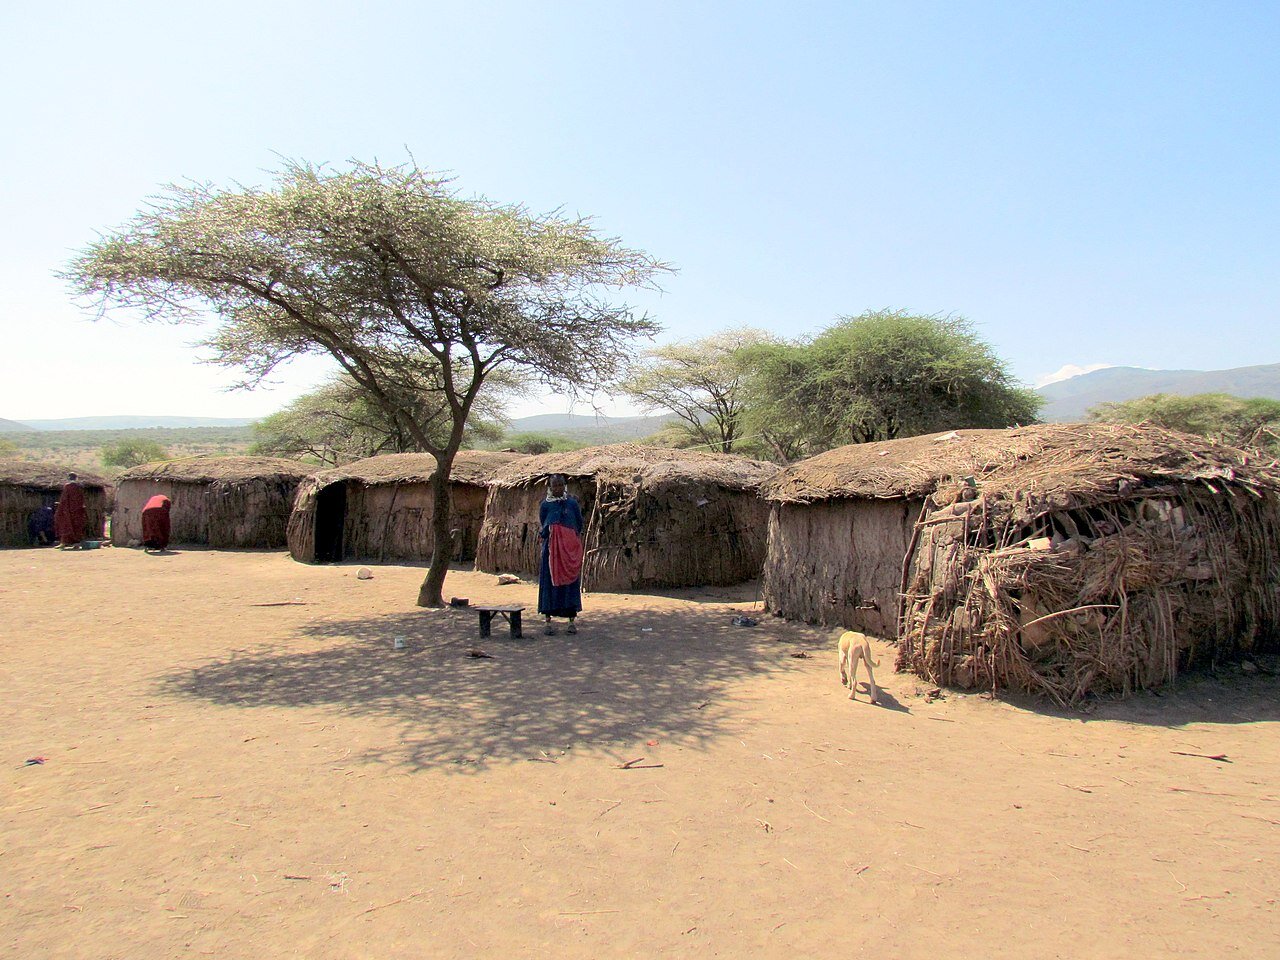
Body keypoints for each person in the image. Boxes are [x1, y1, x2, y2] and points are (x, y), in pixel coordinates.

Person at [538, 474, 584, 635]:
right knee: (549, 583)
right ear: (550, 487)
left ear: (564, 485)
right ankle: (548, 622)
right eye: (554, 485)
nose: (557, 488)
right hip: (551, 553)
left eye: (560, 485)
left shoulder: (572, 504)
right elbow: (543, 523)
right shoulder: (545, 505)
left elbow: (578, 525)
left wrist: (567, 539)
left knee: (570, 585)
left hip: (568, 552)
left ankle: (571, 622)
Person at [53, 473, 87, 549]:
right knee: (77, 526)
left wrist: (61, 507)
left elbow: (64, 499)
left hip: (68, 510)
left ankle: (64, 543)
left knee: (66, 525)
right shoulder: (79, 487)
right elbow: (81, 499)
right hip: (78, 510)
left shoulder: (67, 487)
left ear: (68, 478)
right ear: (76, 478)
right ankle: (77, 543)